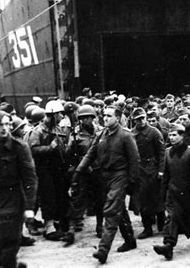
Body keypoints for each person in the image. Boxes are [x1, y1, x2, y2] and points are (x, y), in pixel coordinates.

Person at [74, 106, 140, 264]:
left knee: (110, 210)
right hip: (105, 176)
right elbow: (91, 153)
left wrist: (132, 181)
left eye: (109, 116)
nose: (105, 118)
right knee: (118, 209)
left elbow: (134, 160)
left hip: (120, 175)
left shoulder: (125, 135)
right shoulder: (101, 134)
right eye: (104, 115)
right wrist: (79, 171)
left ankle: (103, 249)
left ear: (117, 117)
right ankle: (130, 240)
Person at [0, 109, 37, 268]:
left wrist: (30, 207)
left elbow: (30, 179)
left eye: (7, 124)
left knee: (9, 247)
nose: (4, 128)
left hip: (12, 201)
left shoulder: (20, 147)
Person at [153, 123, 190, 260]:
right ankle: (168, 246)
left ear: (182, 136)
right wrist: (162, 193)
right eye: (170, 135)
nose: (171, 137)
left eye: (174, 135)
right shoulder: (167, 152)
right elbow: (166, 175)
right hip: (174, 192)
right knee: (172, 218)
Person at [27, 100, 69, 241]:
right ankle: (49, 226)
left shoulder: (57, 129)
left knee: (59, 195)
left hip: (56, 168)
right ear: (52, 115)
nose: (61, 117)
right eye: (59, 114)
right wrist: (50, 148)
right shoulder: (38, 131)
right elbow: (32, 149)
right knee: (47, 197)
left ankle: (57, 223)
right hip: (44, 170)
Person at [62, 105, 104, 245]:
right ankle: (72, 230)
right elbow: (70, 154)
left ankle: (99, 226)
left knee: (100, 199)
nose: (86, 120)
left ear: (93, 118)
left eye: (88, 117)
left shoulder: (100, 131)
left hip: (99, 170)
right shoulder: (75, 135)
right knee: (78, 200)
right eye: (83, 118)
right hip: (83, 171)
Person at [129, 107, 166, 239]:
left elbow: (162, 153)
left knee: (157, 198)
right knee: (142, 200)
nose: (141, 121)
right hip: (139, 170)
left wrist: (161, 170)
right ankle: (147, 228)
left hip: (153, 168)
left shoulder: (154, 132)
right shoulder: (131, 134)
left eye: (143, 118)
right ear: (134, 121)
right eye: (138, 119)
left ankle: (162, 222)